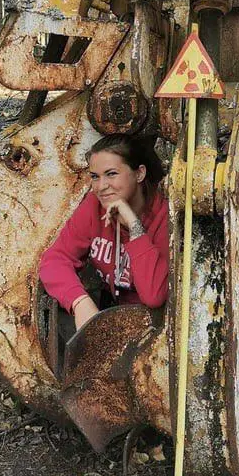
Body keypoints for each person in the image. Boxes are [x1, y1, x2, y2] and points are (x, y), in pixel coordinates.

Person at [39, 134, 168, 331]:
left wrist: (134, 226)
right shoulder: (94, 206)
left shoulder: (164, 216)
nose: (101, 186)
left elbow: (154, 296)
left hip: (158, 328)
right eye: (95, 177)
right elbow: (54, 259)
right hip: (115, 318)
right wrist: (79, 301)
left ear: (139, 173)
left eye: (111, 174)